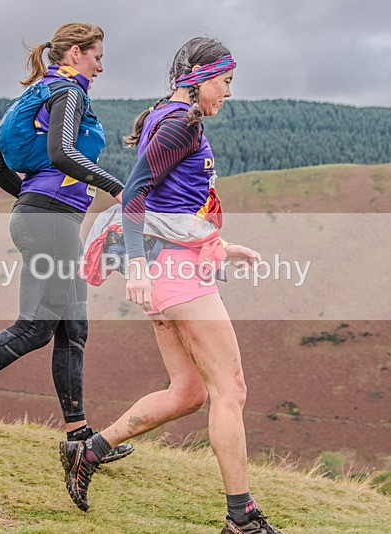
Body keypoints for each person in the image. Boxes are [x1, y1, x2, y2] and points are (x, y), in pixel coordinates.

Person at [58, 37, 282, 534]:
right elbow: (135, 194)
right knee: (232, 391)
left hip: (173, 269)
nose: (227, 93)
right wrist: (136, 266)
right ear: (200, 76)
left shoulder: (169, 116)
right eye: (225, 82)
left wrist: (222, 250)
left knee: (187, 393)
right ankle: (242, 518)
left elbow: (171, 207)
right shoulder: (181, 123)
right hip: (170, 274)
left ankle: (88, 452)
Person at [0, 23, 132, 462]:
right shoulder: (69, 92)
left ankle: (78, 437)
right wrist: (115, 187)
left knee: (73, 328)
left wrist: (31, 201)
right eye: (97, 56)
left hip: (44, 217)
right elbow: (61, 154)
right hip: (49, 220)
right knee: (35, 328)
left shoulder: (33, 94)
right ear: (75, 54)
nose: (101, 65)